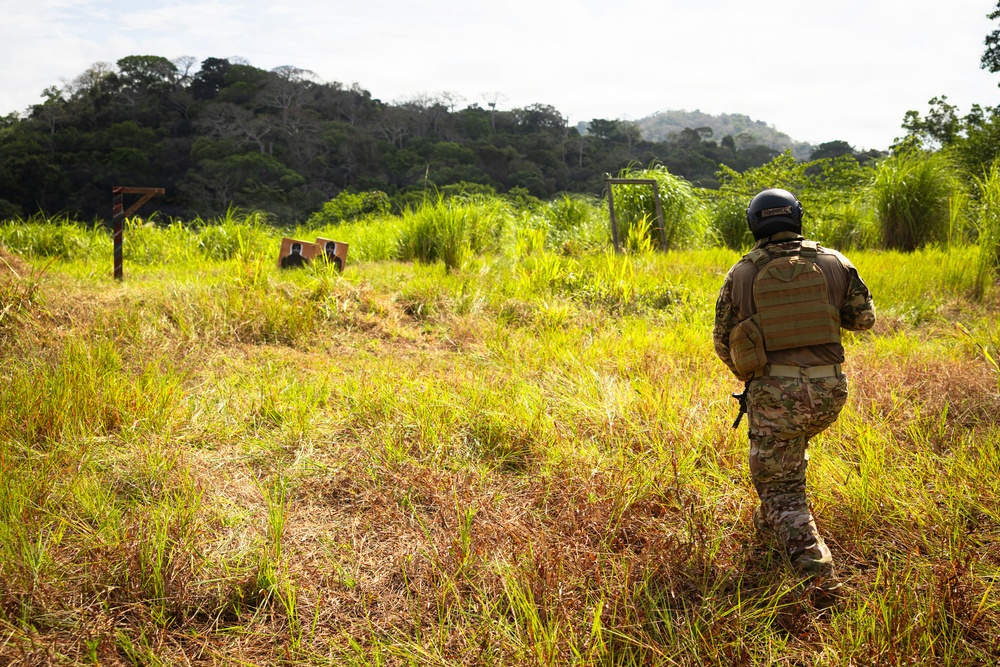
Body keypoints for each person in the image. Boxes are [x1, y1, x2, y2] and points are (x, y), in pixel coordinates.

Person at [712, 188, 876, 586]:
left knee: (781, 485)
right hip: (829, 393)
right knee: (789, 450)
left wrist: (755, 378)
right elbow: (863, 320)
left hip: (776, 396)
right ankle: (771, 519)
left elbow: (722, 340)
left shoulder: (743, 272)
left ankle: (815, 569)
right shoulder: (835, 261)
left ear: (755, 224)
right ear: (796, 218)